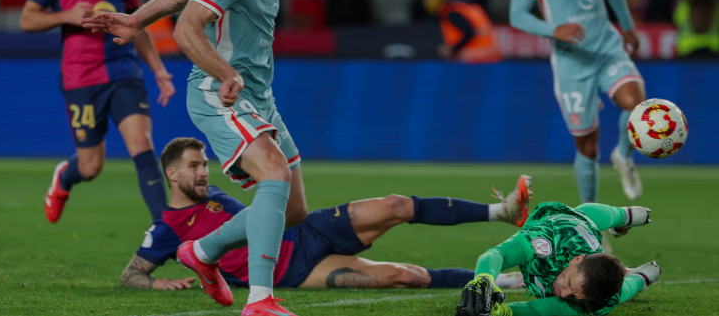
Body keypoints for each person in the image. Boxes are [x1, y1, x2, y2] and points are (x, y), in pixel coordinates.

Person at [85, 0, 329, 316]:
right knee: (274, 173)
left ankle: (201, 252)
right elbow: (186, 29)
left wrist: (135, 20)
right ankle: (260, 301)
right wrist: (224, 73)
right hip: (218, 91)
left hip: (258, 96)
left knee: (293, 210)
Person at [120, 137, 531, 291]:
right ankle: (501, 281)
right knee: (406, 276)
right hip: (295, 271)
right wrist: (159, 284)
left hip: (306, 230)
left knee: (395, 204)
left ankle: (503, 210)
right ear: (171, 174)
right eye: (194, 166)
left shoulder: (214, 195)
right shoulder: (166, 228)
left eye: (204, 165)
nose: (203, 172)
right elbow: (130, 276)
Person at [20, 0, 174, 224]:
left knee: (142, 142)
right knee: (91, 166)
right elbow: (27, 19)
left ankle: (165, 233)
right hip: (81, 76)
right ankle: (65, 176)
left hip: (124, 70)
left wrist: (159, 70)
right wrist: (65, 16)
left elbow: (136, 25)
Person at [509, 0, 645, 204]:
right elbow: (517, 16)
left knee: (636, 103)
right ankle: (590, 216)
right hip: (571, 63)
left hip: (607, 47)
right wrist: (554, 30)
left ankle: (624, 156)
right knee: (588, 147)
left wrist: (627, 25)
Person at [454, 201, 660, 316]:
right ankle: (626, 215)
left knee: (621, 293)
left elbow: (545, 309)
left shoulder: (596, 302)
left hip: (581, 254)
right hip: (569, 227)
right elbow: (498, 254)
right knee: (582, 216)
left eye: (575, 295)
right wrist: (484, 278)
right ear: (577, 259)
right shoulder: (550, 236)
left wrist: (504, 312)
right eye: (569, 283)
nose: (563, 293)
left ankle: (642, 276)